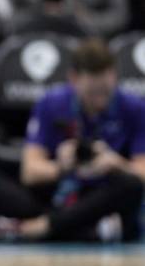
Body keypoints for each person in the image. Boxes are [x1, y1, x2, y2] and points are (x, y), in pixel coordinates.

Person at [18, 38, 145, 242]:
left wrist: (115, 163)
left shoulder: (135, 107)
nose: (100, 99)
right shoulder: (50, 103)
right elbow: (29, 172)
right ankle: (86, 228)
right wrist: (62, 166)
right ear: (74, 79)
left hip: (105, 193)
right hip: (62, 189)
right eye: (93, 93)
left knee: (131, 186)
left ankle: (50, 226)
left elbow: (141, 172)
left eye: (105, 91)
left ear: (113, 76)